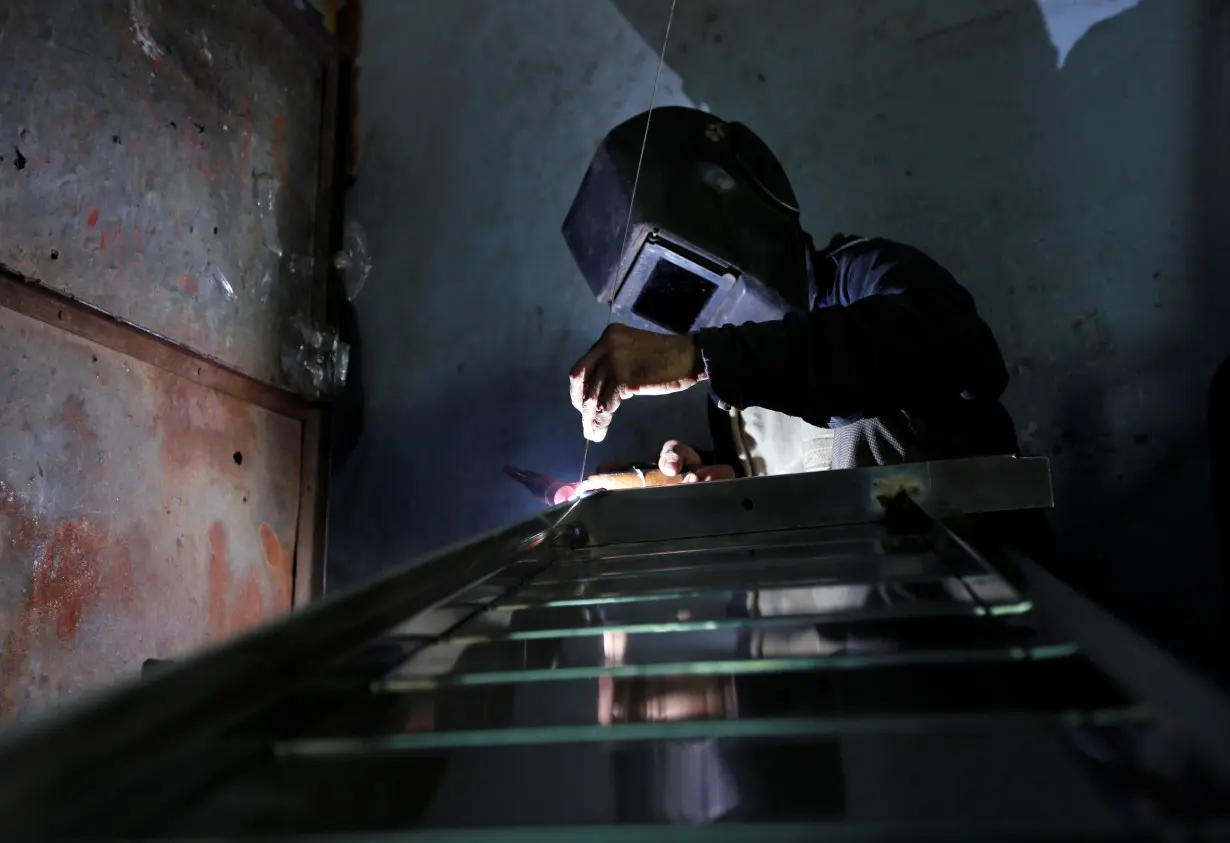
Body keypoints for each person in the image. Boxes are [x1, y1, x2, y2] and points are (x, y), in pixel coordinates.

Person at [563, 108, 1019, 480]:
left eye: (688, 280)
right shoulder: (727, 384)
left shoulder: (864, 276)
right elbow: (791, 479)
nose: (697, 312)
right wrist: (711, 473)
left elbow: (962, 351)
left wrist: (697, 356)